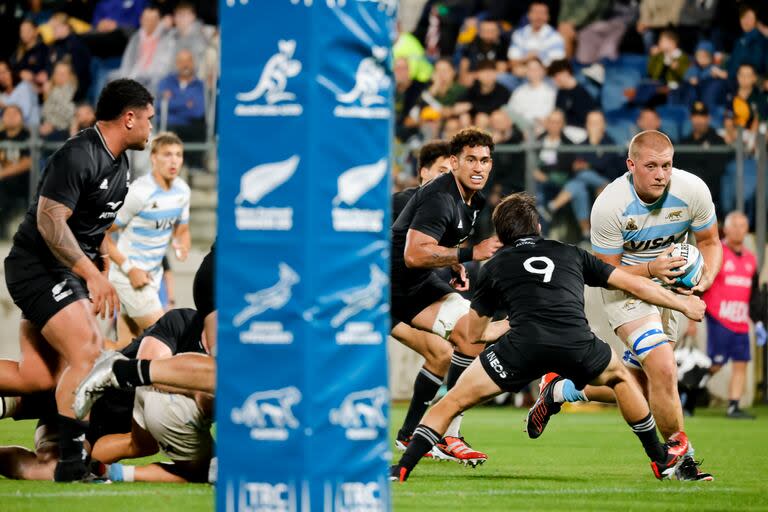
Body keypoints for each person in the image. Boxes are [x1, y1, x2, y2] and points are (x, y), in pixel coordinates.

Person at [390, 192, 706, 482]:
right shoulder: (571, 253)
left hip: (520, 348)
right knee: (622, 380)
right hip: (576, 343)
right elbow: (634, 285)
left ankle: (402, 468)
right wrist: (684, 304)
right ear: (539, 226)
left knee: (452, 400)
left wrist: (501, 329)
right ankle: (660, 457)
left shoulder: (494, 266)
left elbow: (472, 334)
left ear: (500, 237)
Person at [530, 130, 721, 481]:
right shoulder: (610, 204)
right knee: (664, 369)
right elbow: (605, 273)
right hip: (626, 291)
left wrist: (703, 281)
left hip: (672, 293)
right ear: (631, 165)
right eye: (651, 166)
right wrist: (651, 268)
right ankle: (681, 460)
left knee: (643, 390)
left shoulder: (692, 189)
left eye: (667, 165)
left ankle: (559, 390)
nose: (661, 174)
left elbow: (710, 241)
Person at [2, 78, 154, 481]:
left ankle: (59, 454)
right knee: (86, 349)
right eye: (149, 119)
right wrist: (92, 274)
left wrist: (102, 266)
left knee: (37, 377)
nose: (151, 127)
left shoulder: (121, 163)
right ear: (129, 117)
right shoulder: (79, 154)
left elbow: (95, 225)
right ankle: (70, 464)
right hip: (37, 268)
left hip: (66, 272)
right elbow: (50, 223)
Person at [389, 128, 507, 465]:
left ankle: (445, 433)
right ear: (454, 162)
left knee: (471, 337)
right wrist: (468, 253)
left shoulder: (474, 200)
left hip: (416, 287)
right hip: (386, 290)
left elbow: (431, 245)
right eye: (471, 159)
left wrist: (453, 261)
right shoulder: (439, 197)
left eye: (485, 160)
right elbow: (413, 255)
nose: (479, 167)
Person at [0, 308, 213, 483]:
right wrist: (195, 386)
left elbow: (134, 444)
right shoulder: (184, 321)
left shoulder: (232, 370)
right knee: (35, 384)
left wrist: (92, 467)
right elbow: (144, 369)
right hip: (80, 388)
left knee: (57, 470)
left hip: (105, 430)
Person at [391, 141, 455, 454]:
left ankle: (409, 434)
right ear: (422, 173)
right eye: (441, 171)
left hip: (398, 298)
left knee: (442, 352)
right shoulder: (404, 201)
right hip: (374, 297)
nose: (447, 178)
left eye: (451, 173)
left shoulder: (446, 208)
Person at [105, 131, 191, 341]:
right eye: (167, 154)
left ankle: (84, 357)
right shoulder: (139, 193)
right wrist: (130, 269)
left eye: (178, 155)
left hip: (152, 277)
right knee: (166, 339)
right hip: (129, 278)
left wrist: (182, 244)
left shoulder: (182, 191)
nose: (174, 161)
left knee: (126, 350)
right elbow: (101, 235)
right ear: (153, 158)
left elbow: (182, 230)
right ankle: (80, 352)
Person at [685, 211, 764, 419]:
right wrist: (691, 318)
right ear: (726, 228)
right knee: (716, 364)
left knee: (741, 363)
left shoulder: (750, 258)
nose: (739, 229)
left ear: (747, 229)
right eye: (734, 225)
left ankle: (734, 406)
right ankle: (688, 396)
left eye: (743, 225)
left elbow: (753, 294)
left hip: (740, 320)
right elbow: (699, 286)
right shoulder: (717, 253)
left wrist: (758, 322)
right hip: (719, 318)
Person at [156, 49, 206, 167]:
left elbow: (198, 112)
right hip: (170, 126)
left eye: (188, 60)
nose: (185, 64)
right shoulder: (166, 82)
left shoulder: (200, 86)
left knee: (198, 130)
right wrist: (186, 104)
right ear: (176, 64)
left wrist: (172, 102)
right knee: (167, 132)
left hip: (191, 128)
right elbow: (158, 106)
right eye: (181, 61)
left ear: (193, 63)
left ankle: (194, 170)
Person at [111, 5, 175, 93]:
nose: (149, 23)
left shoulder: (166, 37)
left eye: (153, 20)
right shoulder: (136, 37)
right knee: (111, 78)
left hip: (154, 78)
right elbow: (127, 62)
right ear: (141, 20)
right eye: (146, 19)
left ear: (159, 21)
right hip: (134, 75)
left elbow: (164, 66)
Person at [507, 1, 566, 77]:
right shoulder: (518, 34)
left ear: (548, 17)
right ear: (528, 15)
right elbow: (512, 62)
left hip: (545, 77)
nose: (538, 16)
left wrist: (533, 69)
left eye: (542, 13)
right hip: (520, 76)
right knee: (502, 78)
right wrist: (527, 58)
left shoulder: (555, 37)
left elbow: (556, 66)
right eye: (535, 13)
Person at [0, 104, 32, 234]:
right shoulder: (1, 135)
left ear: (21, 118)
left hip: (23, 180)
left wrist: (3, 172)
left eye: (15, 114)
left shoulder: (28, 136)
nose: (11, 117)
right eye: (8, 114)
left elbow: (28, 162)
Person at [506, 57, 556, 130]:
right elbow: (510, 112)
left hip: (541, 129)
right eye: (530, 69)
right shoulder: (519, 91)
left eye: (536, 69)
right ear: (526, 71)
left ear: (543, 71)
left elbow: (549, 116)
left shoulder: (550, 92)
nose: (533, 72)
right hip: (520, 128)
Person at [458, 19, 508, 87]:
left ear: (498, 32)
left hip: (494, 81)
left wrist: (480, 76)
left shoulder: (503, 45)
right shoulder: (471, 44)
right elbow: (464, 67)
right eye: (485, 31)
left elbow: (501, 71)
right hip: (472, 80)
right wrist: (464, 77)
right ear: (479, 32)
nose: (488, 34)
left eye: (492, 31)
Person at [38, 61, 78, 139]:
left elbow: (70, 114)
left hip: (65, 131)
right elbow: (46, 113)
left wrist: (51, 124)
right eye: (57, 73)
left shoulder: (72, 91)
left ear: (70, 76)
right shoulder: (53, 90)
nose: (59, 76)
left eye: (63, 74)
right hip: (51, 130)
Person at [0, 60, 40, 126]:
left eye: (4, 72)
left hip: (30, 128)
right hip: (10, 131)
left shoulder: (24, 86)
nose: (2, 76)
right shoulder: (2, 95)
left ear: (11, 71)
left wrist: (4, 107)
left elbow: (24, 114)